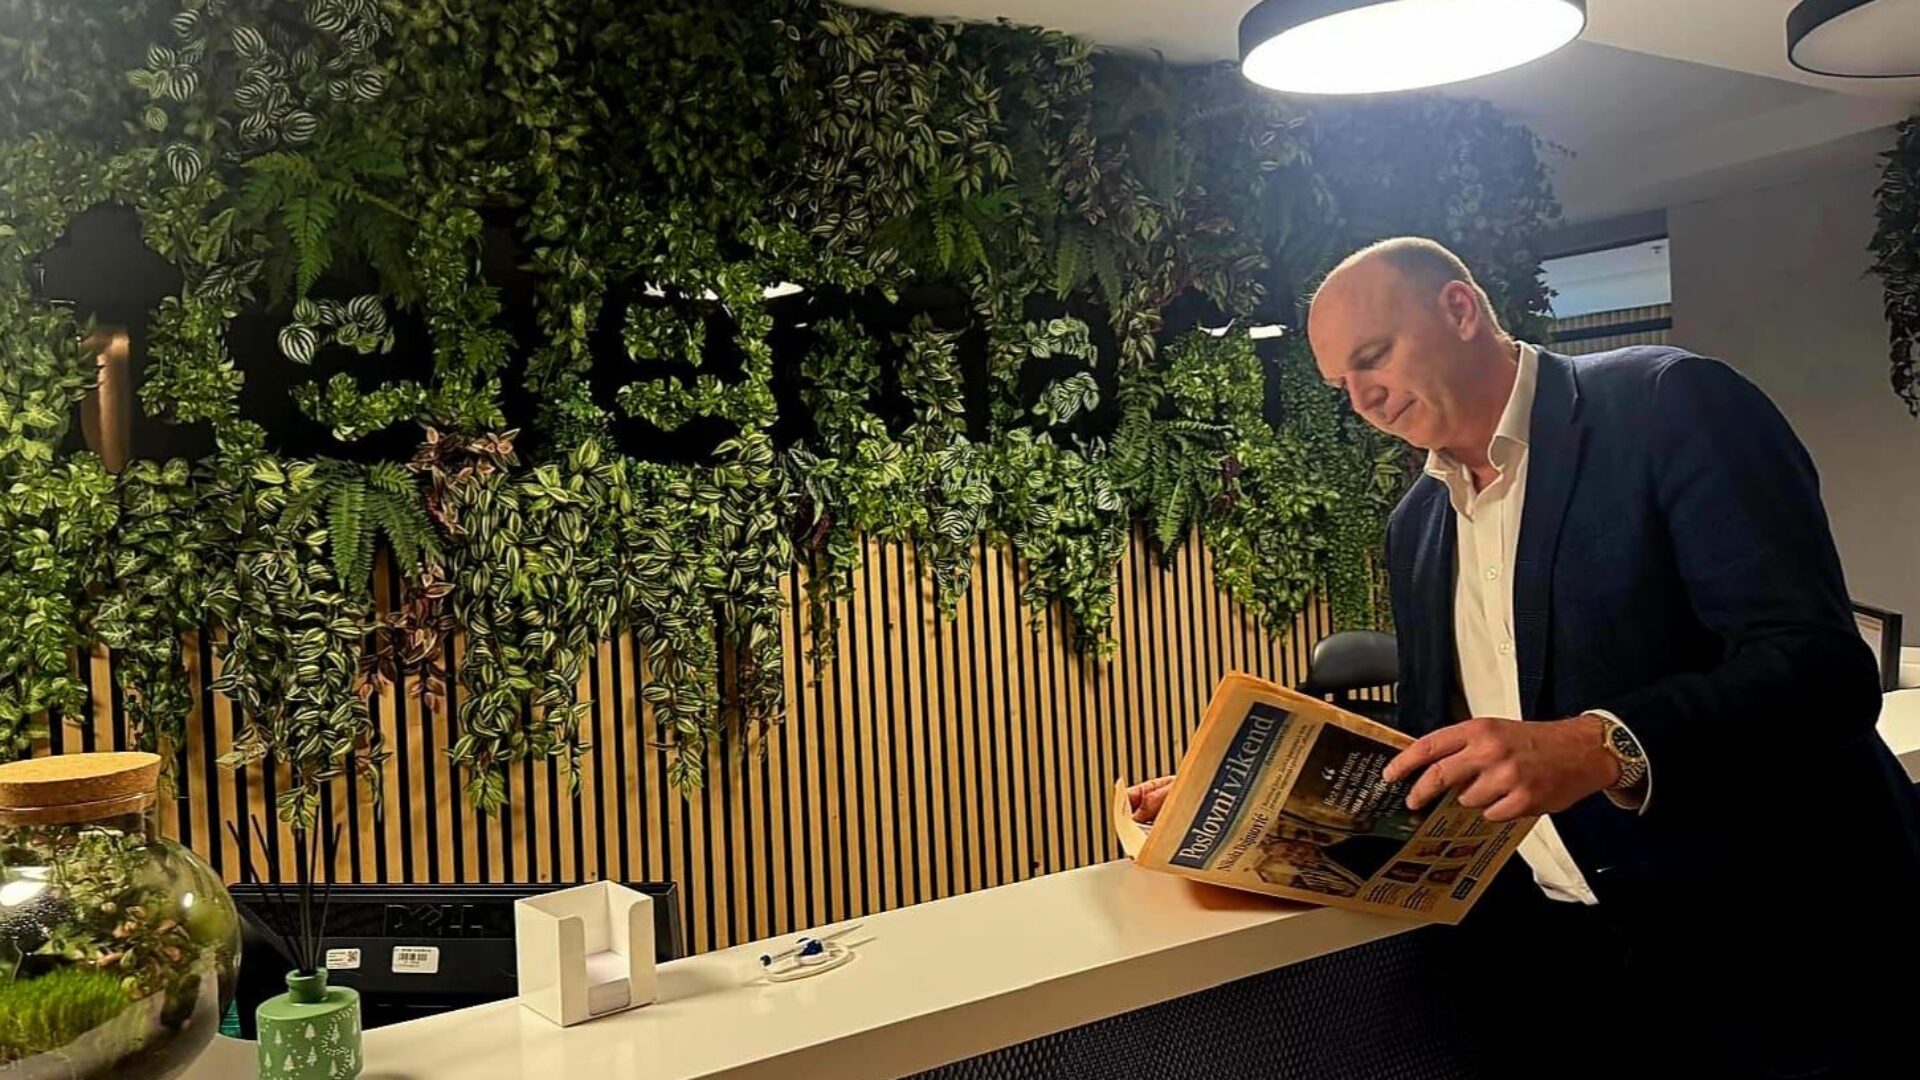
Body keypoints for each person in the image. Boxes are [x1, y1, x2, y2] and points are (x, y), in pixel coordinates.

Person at [1130, 237, 1920, 1078]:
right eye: (1340, 384)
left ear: (1460, 310)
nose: (1362, 398)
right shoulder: (1416, 529)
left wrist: (1602, 745)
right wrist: (1261, 794)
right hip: (1578, 972)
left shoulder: (1668, 404)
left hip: (1785, 953)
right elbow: (1445, 747)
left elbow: (1820, 669)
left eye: (1374, 357)